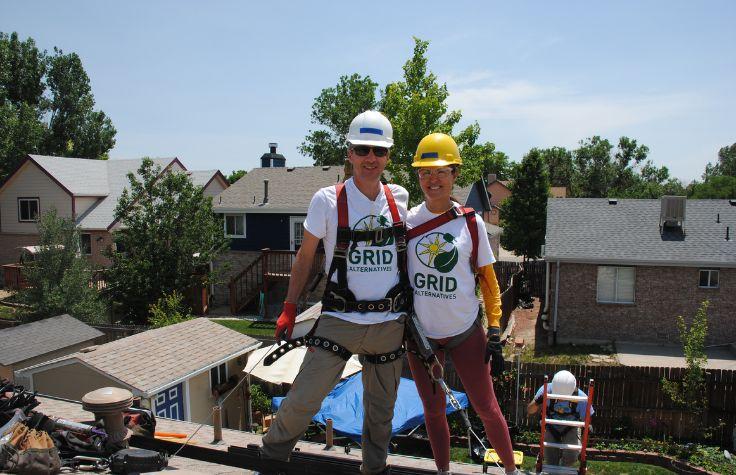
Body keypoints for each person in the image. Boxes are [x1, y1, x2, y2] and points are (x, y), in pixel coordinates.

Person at [260, 110, 410, 475]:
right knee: (306, 396)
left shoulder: (400, 199)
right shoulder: (327, 200)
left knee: (381, 409)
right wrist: (290, 307)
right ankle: (272, 456)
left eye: (378, 151)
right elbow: (306, 255)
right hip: (339, 318)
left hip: (388, 321)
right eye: (362, 150)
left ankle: (374, 468)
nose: (370, 159)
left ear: (388, 155)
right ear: (350, 153)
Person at [405, 133, 518, 475]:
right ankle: (443, 472)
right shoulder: (408, 222)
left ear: (455, 174)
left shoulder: (471, 223)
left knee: (487, 407)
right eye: (425, 172)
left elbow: (489, 281)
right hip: (422, 338)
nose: (432, 179)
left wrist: (495, 328)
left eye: (441, 171)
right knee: (433, 411)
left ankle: (511, 471)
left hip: (465, 332)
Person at [527, 370, 594, 467]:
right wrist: (537, 402)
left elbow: (587, 422)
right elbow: (530, 410)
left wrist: (584, 443)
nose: (562, 399)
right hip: (551, 426)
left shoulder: (581, 398)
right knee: (550, 459)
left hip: (571, 427)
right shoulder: (546, 390)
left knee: (571, 456)